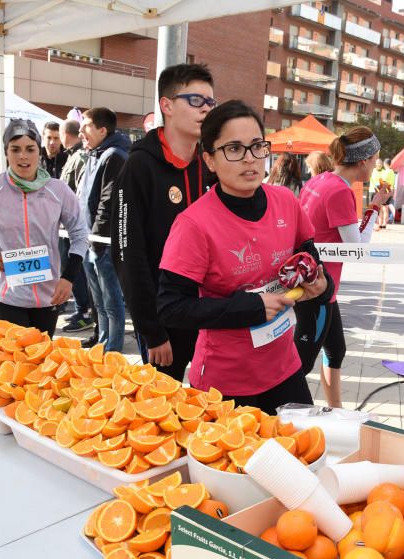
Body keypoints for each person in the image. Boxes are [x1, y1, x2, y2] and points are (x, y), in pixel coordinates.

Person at [158, 100, 331, 414]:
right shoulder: (194, 224)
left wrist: (322, 285)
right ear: (209, 159)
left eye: (256, 147)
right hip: (224, 384)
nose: (250, 159)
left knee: (300, 459)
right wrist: (251, 307)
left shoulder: (286, 202)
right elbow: (171, 308)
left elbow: (310, 260)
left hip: (285, 371)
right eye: (234, 149)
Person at [114, 63, 215, 381]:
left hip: (208, 313)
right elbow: (127, 253)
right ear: (167, 105)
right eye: (196, 100)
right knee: (162, 405)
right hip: (163, 318)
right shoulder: (139, 166)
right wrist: (150, 329)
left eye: (211, 102)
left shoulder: (210, 163)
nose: (206, 110)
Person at [0, 120, 88, 335]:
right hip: (6, 295)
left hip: (48, 295)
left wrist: (68, 277)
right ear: (5, 152)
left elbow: (79, 232)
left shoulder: (58, 190)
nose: (23, 156)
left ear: (38, 152)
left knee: (41, 360)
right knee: (13, 363)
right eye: (15, 149)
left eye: (30, 149)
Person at [295, 126, 388, 408]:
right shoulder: (339, 191)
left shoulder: (320, 180)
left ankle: (336, 411)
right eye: (375, 160)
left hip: (315, 284)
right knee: (302, 362)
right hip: (317, 290)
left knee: (336, 350)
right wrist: (374, 207)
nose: (376, 166)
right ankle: (285, 417)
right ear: (363, 161)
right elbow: (357, 248)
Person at [78, 107, 130, 351]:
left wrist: (97, 241)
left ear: (102, 129)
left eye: (85, 126)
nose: (80, 132)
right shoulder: (95, 153)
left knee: (111, 302)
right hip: (90, 240)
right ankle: (102, 345)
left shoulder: (114, 155)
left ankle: (113, 352)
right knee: (99, 302)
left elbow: (108, 202)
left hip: (103, 243)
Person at [56, 118, 93, 333]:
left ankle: (84, 310)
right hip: (67, 224)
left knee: (76, 269)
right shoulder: (71, 156)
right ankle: (82, 309)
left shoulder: (80, 156)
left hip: (74, 224)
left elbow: (79, 193)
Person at [369, 158, 396, 229]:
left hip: (384, 190)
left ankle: (382, 223)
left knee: (383, 208)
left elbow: (383, 182)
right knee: (380, 207)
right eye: (378, 163)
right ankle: (380, 223)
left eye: (381, 163)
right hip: (381, 190)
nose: (380, 165)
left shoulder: (386, 171)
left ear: (384, 164)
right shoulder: (391, 172)